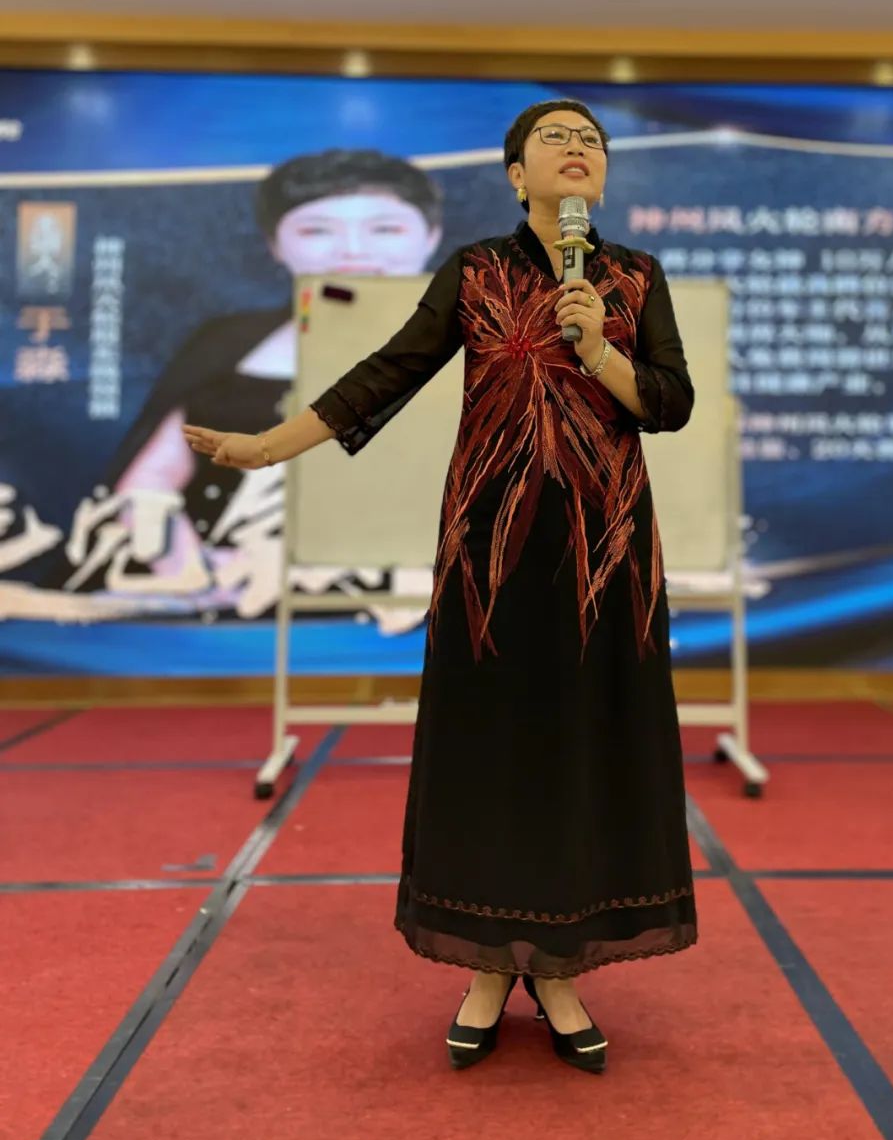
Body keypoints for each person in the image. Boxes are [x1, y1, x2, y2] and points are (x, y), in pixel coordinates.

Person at [183, 100, 699, 1073]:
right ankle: (488, 967)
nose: (578, 149)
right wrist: (268, 446)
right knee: (487, 752)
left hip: (606, 556)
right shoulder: (475, 270)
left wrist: (599, 349)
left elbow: (670, 403)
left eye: (592, 140)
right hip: (489, 558)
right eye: (556, 138)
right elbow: (388, 372)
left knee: (585, 752)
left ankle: (559, 964)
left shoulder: (634, 277)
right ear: (515, 174)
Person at [91, 150, 443, 598]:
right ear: (275, 245)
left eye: (385, 229)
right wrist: (192, 569)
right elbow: (149, 483)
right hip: (237, 589)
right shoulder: (228, 342)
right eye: (317, 231)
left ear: (431, 236)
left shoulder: (483, 340)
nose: (353, 250)